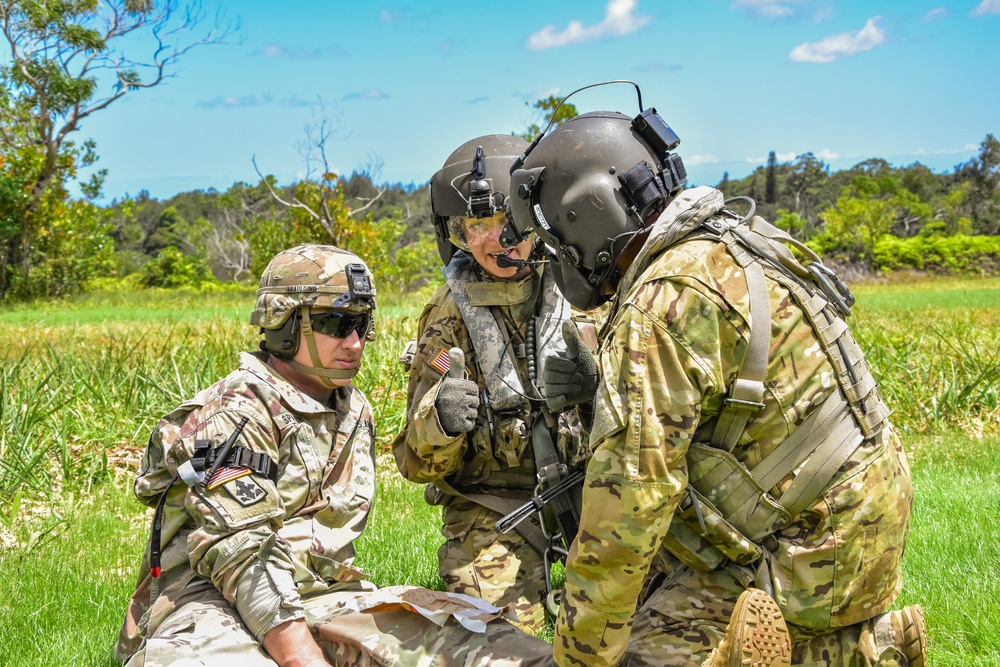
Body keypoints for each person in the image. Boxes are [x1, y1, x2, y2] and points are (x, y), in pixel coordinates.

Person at [500, 106, 926, 666]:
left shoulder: (664, 299)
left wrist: (578, 656)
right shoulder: (734, 242)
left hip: (806, 556)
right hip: (860, 534)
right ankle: (864, 646)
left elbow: (629, 506)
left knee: (629, 655)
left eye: (557, 241)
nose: (556, 260)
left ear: (590, 215)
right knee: (656, 588)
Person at [114, 244, 556, 667]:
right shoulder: (235, 410)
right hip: (211, 603)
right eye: (334, 324)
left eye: (361, 325)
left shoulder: (351, 407)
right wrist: (304, 657)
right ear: (284, 324)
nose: (354, 342)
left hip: (321, 595)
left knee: (501, 651)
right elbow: (241, 554)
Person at [392, 134, 596, 634]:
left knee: (648, 611)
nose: (494, 239)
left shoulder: (589, 293)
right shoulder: (445, 321)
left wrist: (598, 387)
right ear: (456, 232)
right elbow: (416, 462)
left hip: (594, 491)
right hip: (497, 509)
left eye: (506, 220)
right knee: (490, 639)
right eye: (476, 225)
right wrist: (439, 420)